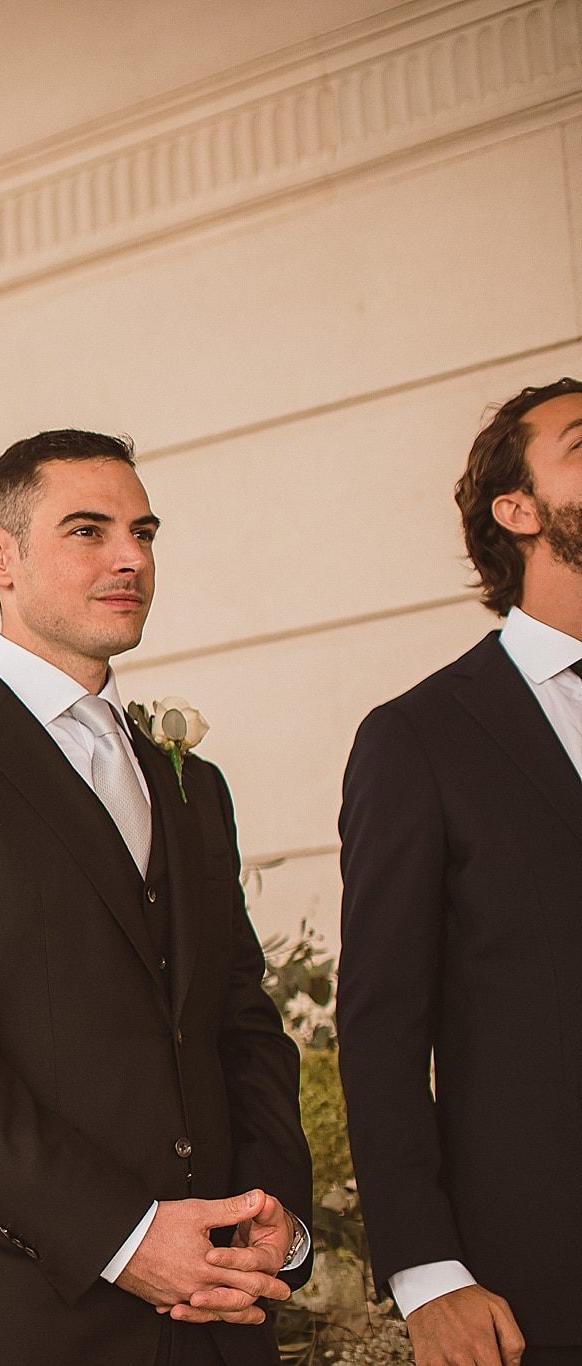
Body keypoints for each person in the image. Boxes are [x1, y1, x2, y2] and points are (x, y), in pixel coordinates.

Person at [0, 429, 313, 1365]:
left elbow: (240, 1021)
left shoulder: (190, 782)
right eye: (88, 530)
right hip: (15, 1309)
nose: (131, 557)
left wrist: (274, 1224)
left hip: (217, 1314)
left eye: (144, 531)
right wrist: (125, 1237)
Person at [338, 379, 582, 1366]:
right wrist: (424, 1268)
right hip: (540, 1272)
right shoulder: (418, 739)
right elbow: (381, 1022)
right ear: (515, 511)